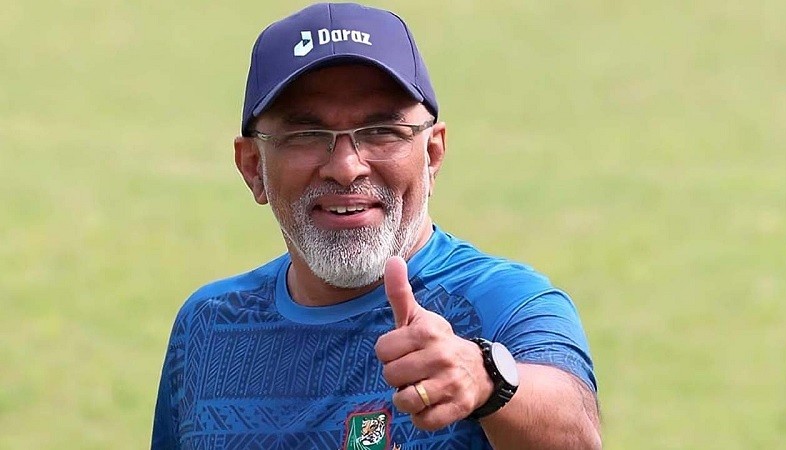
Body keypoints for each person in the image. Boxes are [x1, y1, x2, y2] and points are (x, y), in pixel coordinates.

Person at [151, 3, 601, 449]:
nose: (346, 168)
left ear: (432, 154)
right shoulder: (208, 326)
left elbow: (577, 435)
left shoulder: (503, 302)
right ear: (253, 167)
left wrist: (486, 380)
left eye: (382, 131)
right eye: (306, 135)